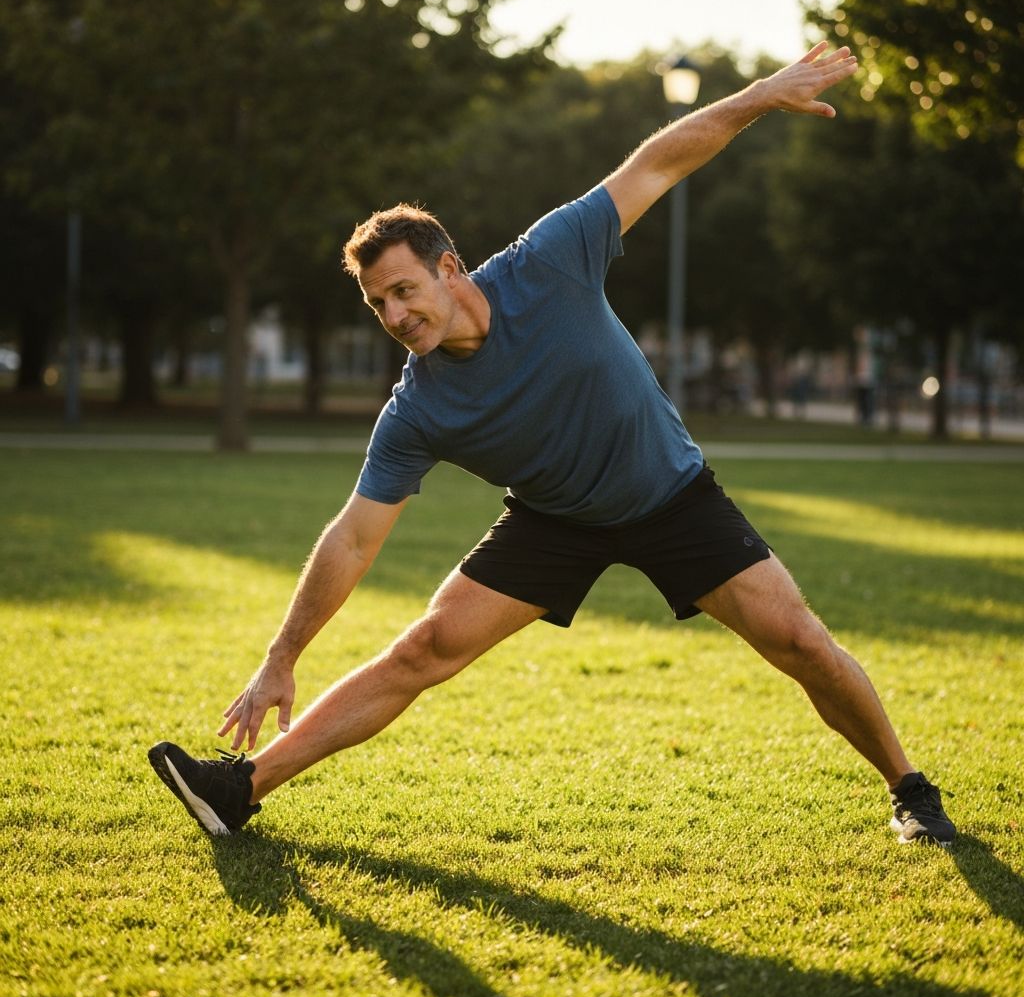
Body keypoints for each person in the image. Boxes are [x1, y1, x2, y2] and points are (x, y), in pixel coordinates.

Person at [149, 42, 956, 847]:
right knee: (423, 648)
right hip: (555, 521)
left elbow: (657, 164)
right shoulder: (417, 407)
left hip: (669, 495)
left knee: (800, 642)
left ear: (449, 269)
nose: (395, 316)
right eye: (377, 304)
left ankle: (911, 790)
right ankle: (240, 788)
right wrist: (282, 654)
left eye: (403, 291)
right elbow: (356, 536)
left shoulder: (550, 260)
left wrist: (760, 96)